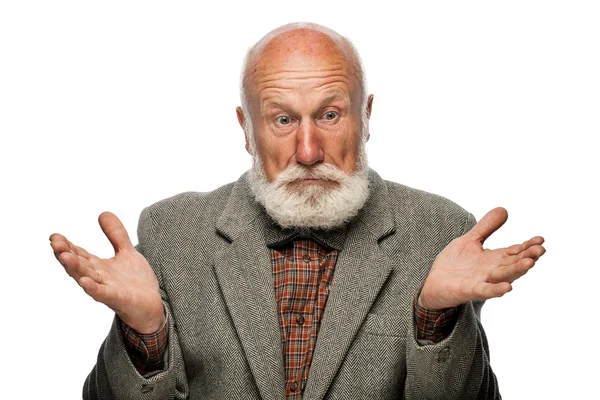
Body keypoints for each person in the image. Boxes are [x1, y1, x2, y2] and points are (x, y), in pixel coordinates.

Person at [50, 22, 545, 400]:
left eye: (329, 115)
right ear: (246, 128)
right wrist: (144, 333)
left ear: (365, 116)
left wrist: (434, 319)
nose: (308, 150)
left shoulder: (441, 233)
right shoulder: (171, 235)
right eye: (283, 119)